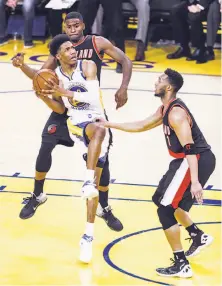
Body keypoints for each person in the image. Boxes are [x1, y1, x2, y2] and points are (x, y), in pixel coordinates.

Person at [12, 12, 132, 231]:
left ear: (83, 26)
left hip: (90, 105)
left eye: (77, 26)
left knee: (102, 162)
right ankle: (38, 194)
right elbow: (43, 76)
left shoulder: (96, 43)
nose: (73, 30)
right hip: (66, 108)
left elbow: (125, 60)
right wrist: (23, 67)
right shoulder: (59, 50)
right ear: (65, 28)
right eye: (69, 27)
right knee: (46, 143)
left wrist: (123, 87)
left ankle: (103, 207)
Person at [99, 68, 216, 277]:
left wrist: (196, 182)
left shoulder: (176, 113)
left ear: (168, 87)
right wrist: (110, 124)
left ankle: (181, 263)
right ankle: (197, 235)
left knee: (165, 209)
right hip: (186, 161)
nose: (156, 82)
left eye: (160, 80)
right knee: (162, 200)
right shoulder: (165, 109)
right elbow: (142, 124)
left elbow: (190, 147)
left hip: (194, 160)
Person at [36, 34, 112, 263]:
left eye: (73, 47)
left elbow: (91, 95)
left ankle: (87, 236)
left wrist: (65, 93)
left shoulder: (88, 66)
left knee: (96, 189)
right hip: (77, 123)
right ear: (58, 56)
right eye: (67, 49)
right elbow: (60, 109)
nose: (73, 51)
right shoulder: (55, 76)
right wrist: (44, 97)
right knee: (97, 132)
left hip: (98, 116)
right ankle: (86, 180)